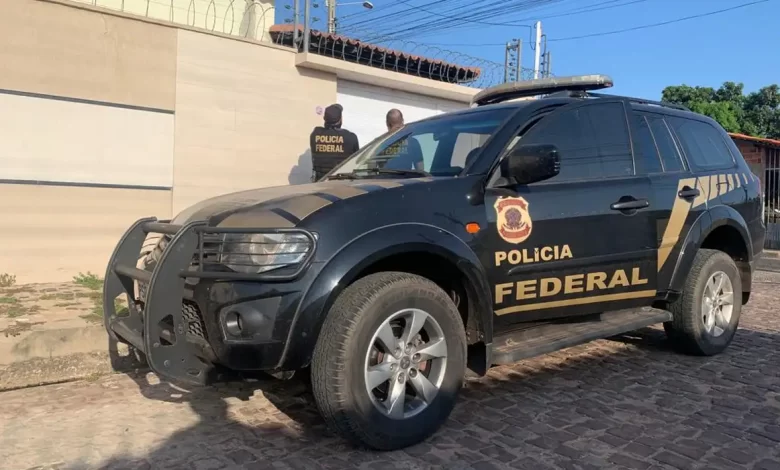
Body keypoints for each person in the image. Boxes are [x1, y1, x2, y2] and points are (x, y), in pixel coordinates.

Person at [309, 104, 360, 181]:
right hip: (342, 181)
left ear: (324, 118)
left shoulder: (315, 134)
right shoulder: (350, 137)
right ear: (340, 120)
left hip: (320, 181)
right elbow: (357, 161)